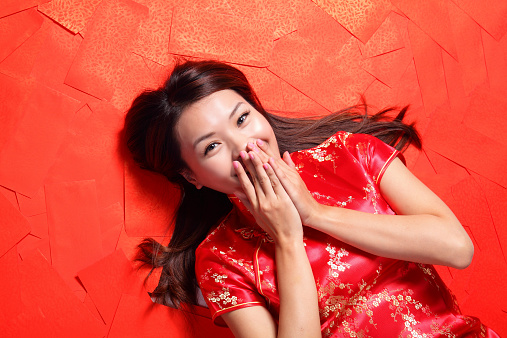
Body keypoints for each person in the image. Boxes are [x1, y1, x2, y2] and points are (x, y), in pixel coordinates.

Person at [124, 59, 498, 337]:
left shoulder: (352, 154)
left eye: (242, 119)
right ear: (192, 176)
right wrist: (287, 238)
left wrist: (314, 213)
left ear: (259, 113)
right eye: (212, 147)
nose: (245, 148)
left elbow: (457, 248)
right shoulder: (220, 260)